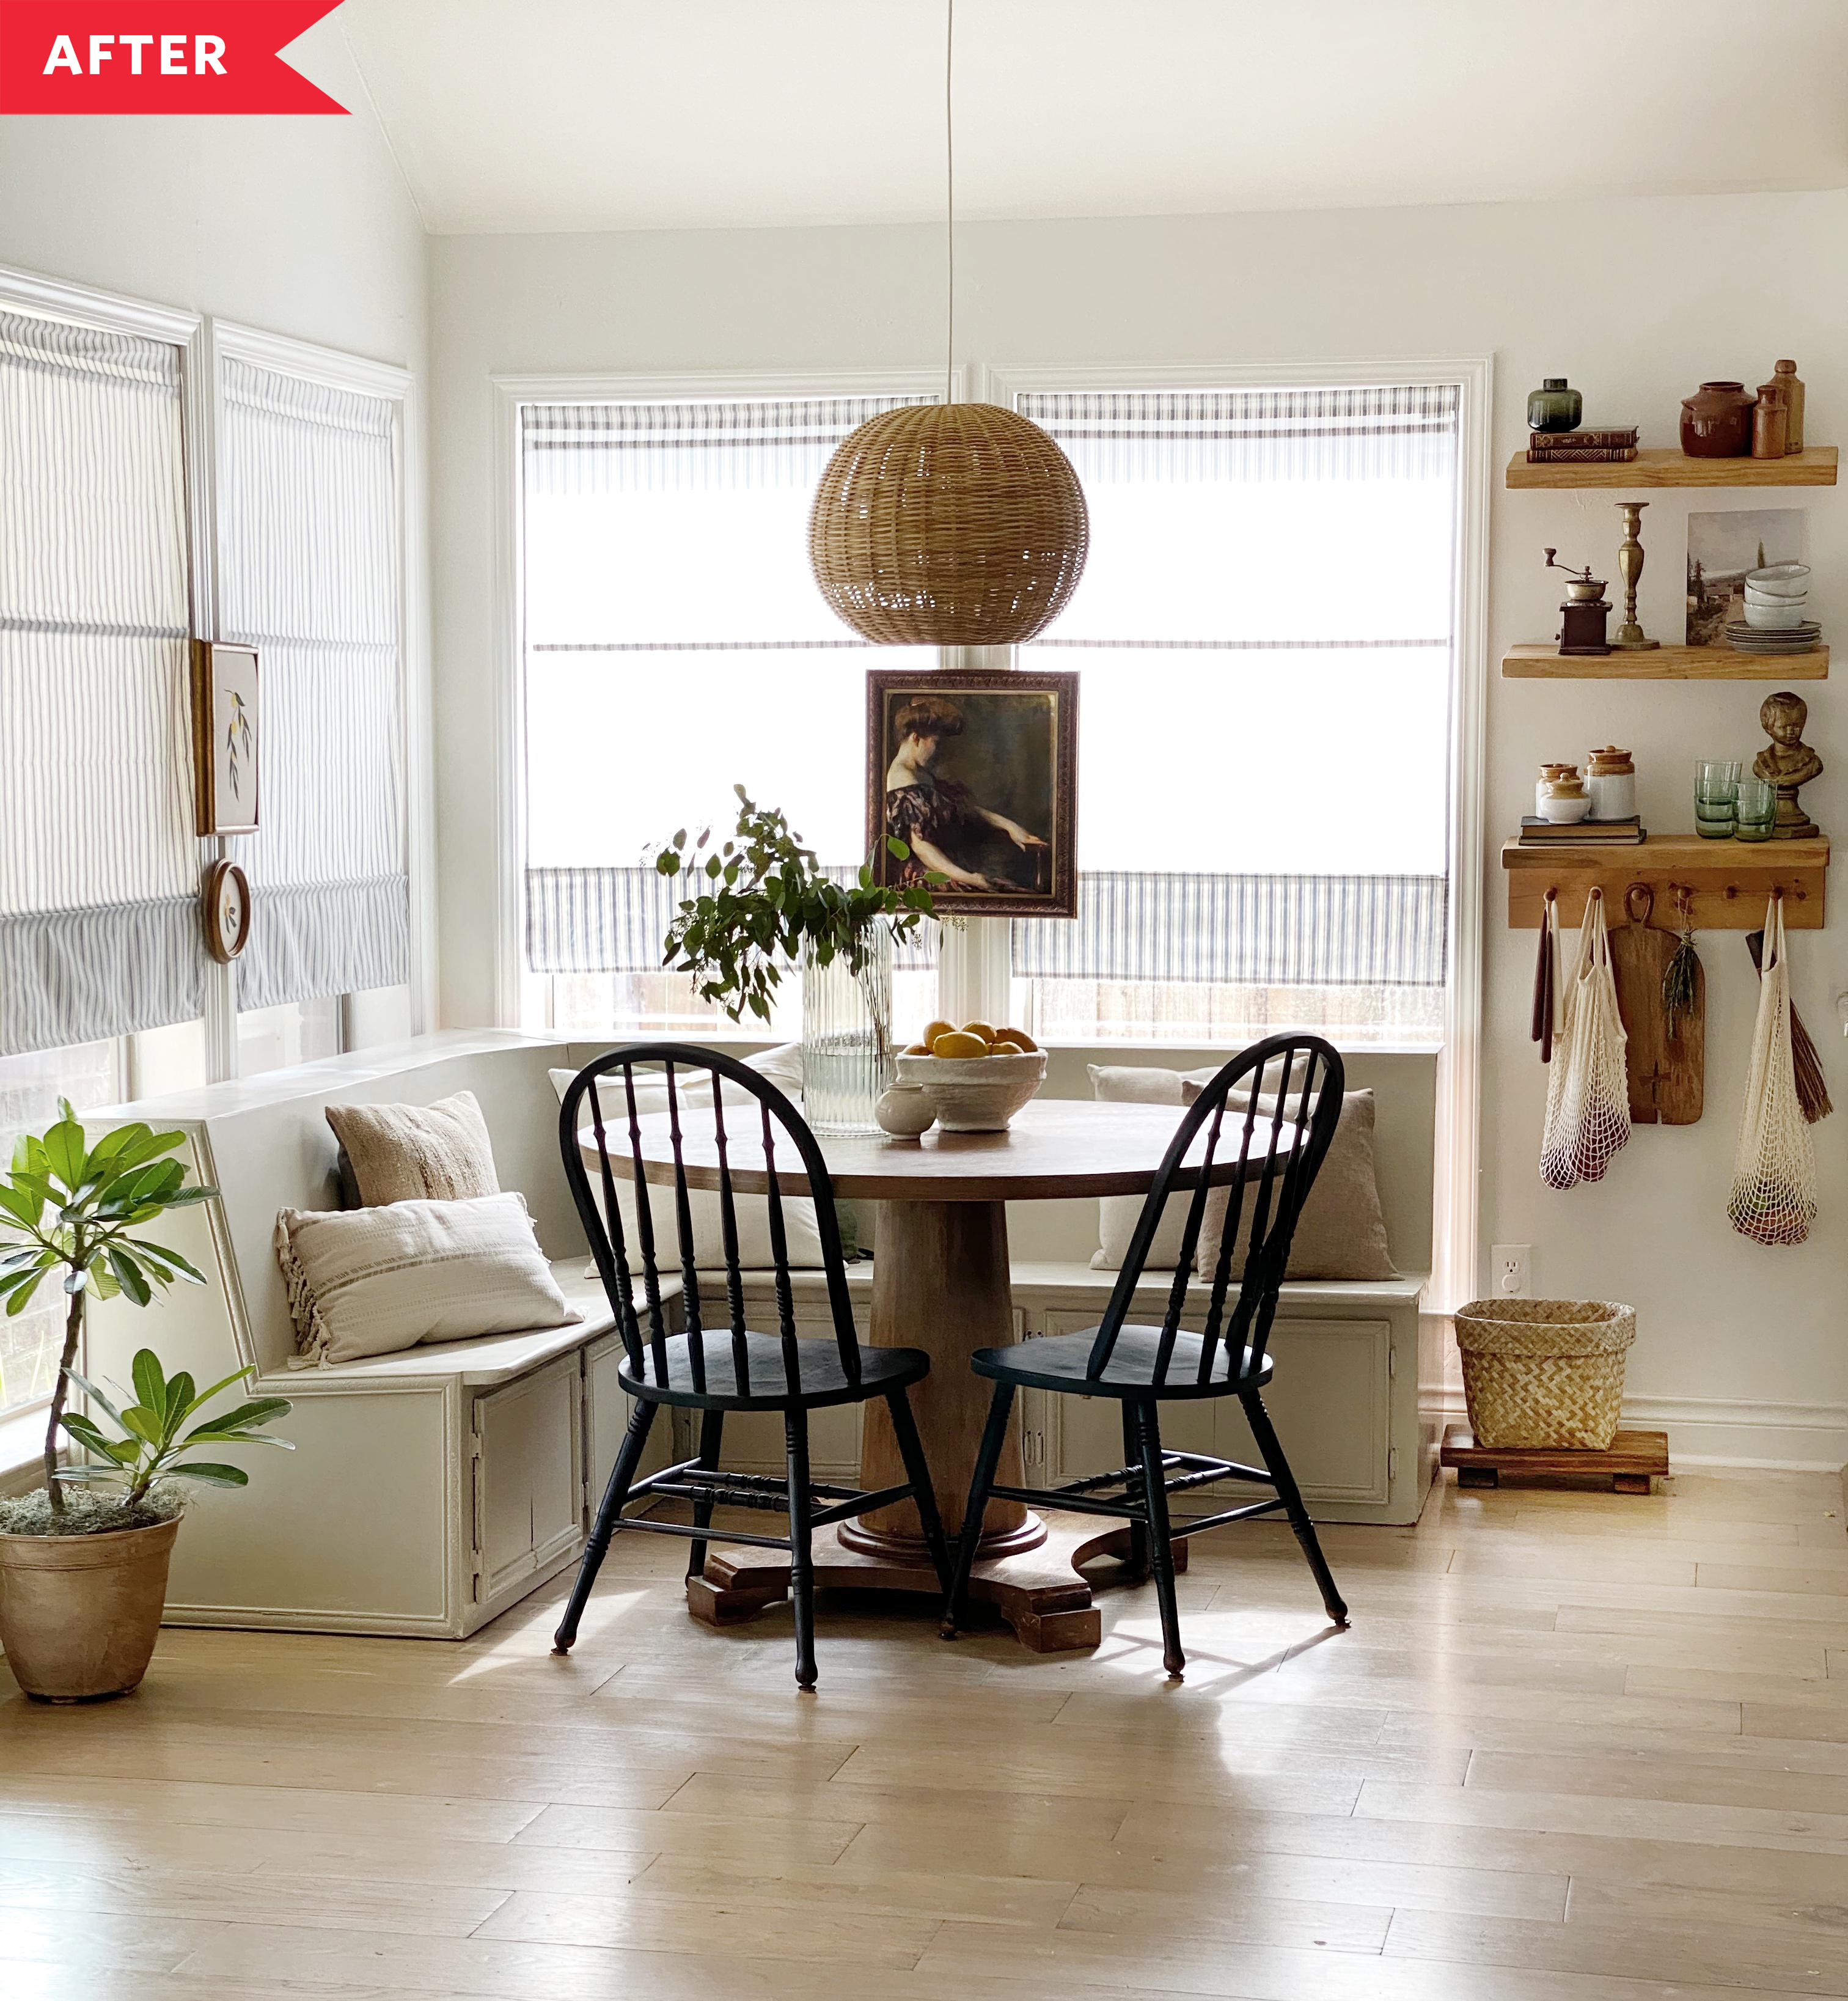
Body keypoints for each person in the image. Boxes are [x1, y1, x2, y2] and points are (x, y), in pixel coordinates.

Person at [884, 694, 1047, 894]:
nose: (940, 751)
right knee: (1008, 892)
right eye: (937, 742)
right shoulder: (902, 778)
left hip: (951, 868)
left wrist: (1010, 827)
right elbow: (922, 848)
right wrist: (971, 878)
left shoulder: (920, 773)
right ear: (916, 739)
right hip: (929, 876)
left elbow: (961, 810)